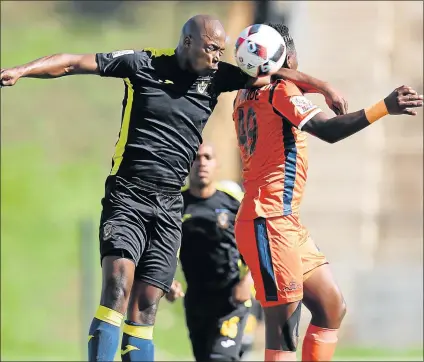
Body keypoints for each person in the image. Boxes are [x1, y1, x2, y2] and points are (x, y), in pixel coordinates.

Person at [0, 14, 348, 362]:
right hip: (128, 193)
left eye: (221, 50)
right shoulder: (143, 63)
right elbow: (73, 63)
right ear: (188, 42)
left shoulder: (217, 76)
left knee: (147, 304)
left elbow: (269, 71)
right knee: (118, 285)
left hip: (170, 203)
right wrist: (21, 70)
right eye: (212, 48)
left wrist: (323, 86)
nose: (217, 57)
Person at [232, 23, 423, 362]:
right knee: (283, 333)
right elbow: (327, 130)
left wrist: (322, 85)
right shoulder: (280, 92)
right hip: (269, 221)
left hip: (283, 221)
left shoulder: (245, 92)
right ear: (287, 59)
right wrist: (383, 107)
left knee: (331, 306)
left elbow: (284, 76)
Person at [166, 143, 255, 361]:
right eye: (196, 158)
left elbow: (259, 243)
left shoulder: (233, 202)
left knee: (220, 358)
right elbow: (164, 248)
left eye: (207, 157)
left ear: (217, 165)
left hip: (231, 298)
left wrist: (248, 281)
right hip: (196, 301)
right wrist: (166, 281)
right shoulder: (175, 206)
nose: (202, 163)